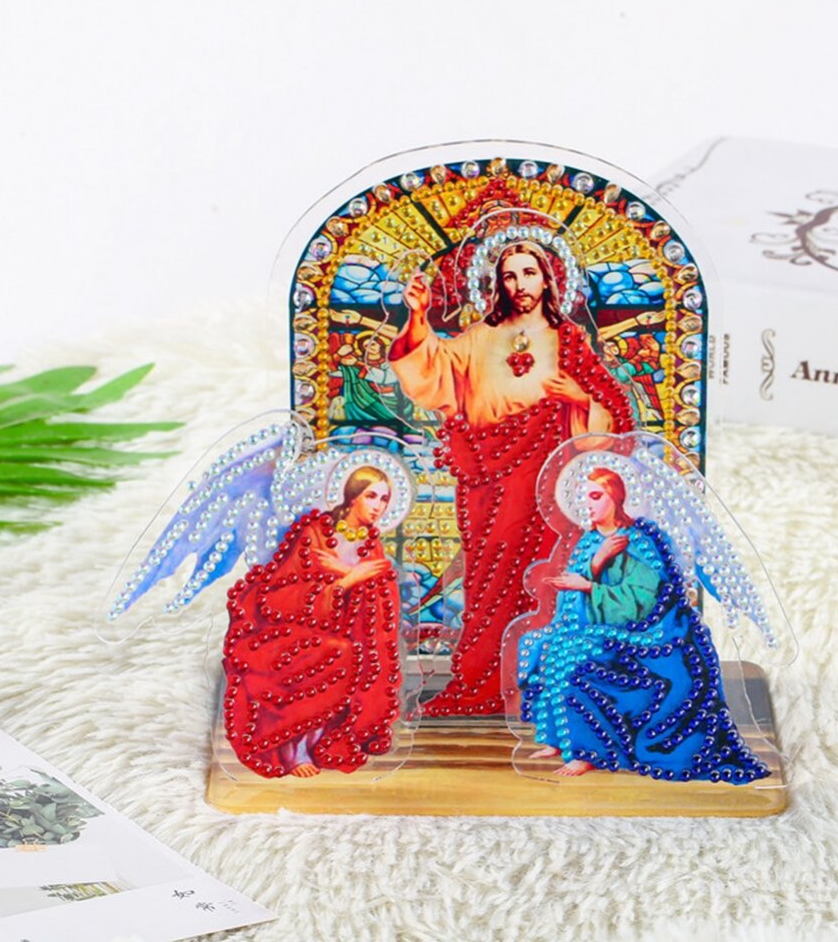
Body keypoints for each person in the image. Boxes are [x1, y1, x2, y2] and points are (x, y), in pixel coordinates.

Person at [389, 239, 635, 716]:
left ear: (548, 280)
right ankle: (482, 679)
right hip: (486, 477)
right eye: (509, 275)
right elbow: (433, 371)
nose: (519, 284)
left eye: (528, 273)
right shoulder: (480, 337)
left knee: (541, 577)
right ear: (498, 284)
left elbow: (616, 415)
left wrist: (579, 399)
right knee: (487, 578)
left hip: (546, 478)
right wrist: (418, 317)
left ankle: (541, 683)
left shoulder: (568, 341)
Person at [517, 467, 770, 783]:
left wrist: (590, 586)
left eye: (595, 496)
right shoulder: (589, 541)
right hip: (595, 625)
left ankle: (589, 752)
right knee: (537, 644)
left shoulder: (638, 540)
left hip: (646, 632)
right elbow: (572, 603)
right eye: (583, 497)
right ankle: (559, 739)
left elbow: (645, 600)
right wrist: (596, 564)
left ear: (615, 497)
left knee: (572, 657)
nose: (587, 504)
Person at [222, 466, 402, 778]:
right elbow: (278, 597)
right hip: (289, 632)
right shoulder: (315, 533)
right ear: (352, 497)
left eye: (384, 499)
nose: (378, 506)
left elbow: (380, 600)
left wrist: (345, 574)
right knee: (336, 652)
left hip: (343, 635)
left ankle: (318, 744)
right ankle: (295, 752)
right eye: (371, 496)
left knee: (346, 651)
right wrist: (346, 581)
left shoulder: (370, 545)